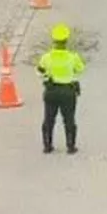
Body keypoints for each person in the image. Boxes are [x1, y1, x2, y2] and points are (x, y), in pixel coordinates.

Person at [36, 23, 86, 154]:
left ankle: (47, 145)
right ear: (66, 41)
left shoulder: (47, 57)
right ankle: (70, 146)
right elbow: (80, 69)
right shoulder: (72, 57)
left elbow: (40, 71)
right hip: (68, 92)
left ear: (53, 41)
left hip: (51, 91)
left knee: (49, 119)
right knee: (69, 119)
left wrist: (47, 75)